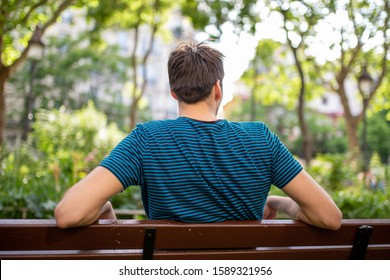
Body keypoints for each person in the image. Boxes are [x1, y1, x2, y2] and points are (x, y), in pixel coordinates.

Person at [54, 41, 342, 230]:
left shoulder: (146, 139)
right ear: (218, 89)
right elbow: (329, 217)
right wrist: (276, 201)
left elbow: (68, 214)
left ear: (173, 92)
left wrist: (102, 205)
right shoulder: (261, 138)